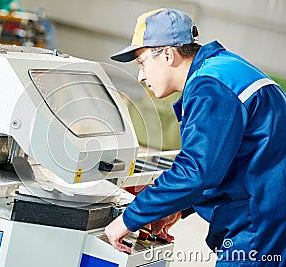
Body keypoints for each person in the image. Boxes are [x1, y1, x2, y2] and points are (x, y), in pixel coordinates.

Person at [104, 8, 286, 266]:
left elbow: (196, 170)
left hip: (259, 225)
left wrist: (129, 218)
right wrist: (181, 205)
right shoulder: (226, 69)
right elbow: (227, 159)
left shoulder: (209, 85)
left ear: (167, 54)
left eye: (142, 63)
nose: (141, 76)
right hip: (269, 215)